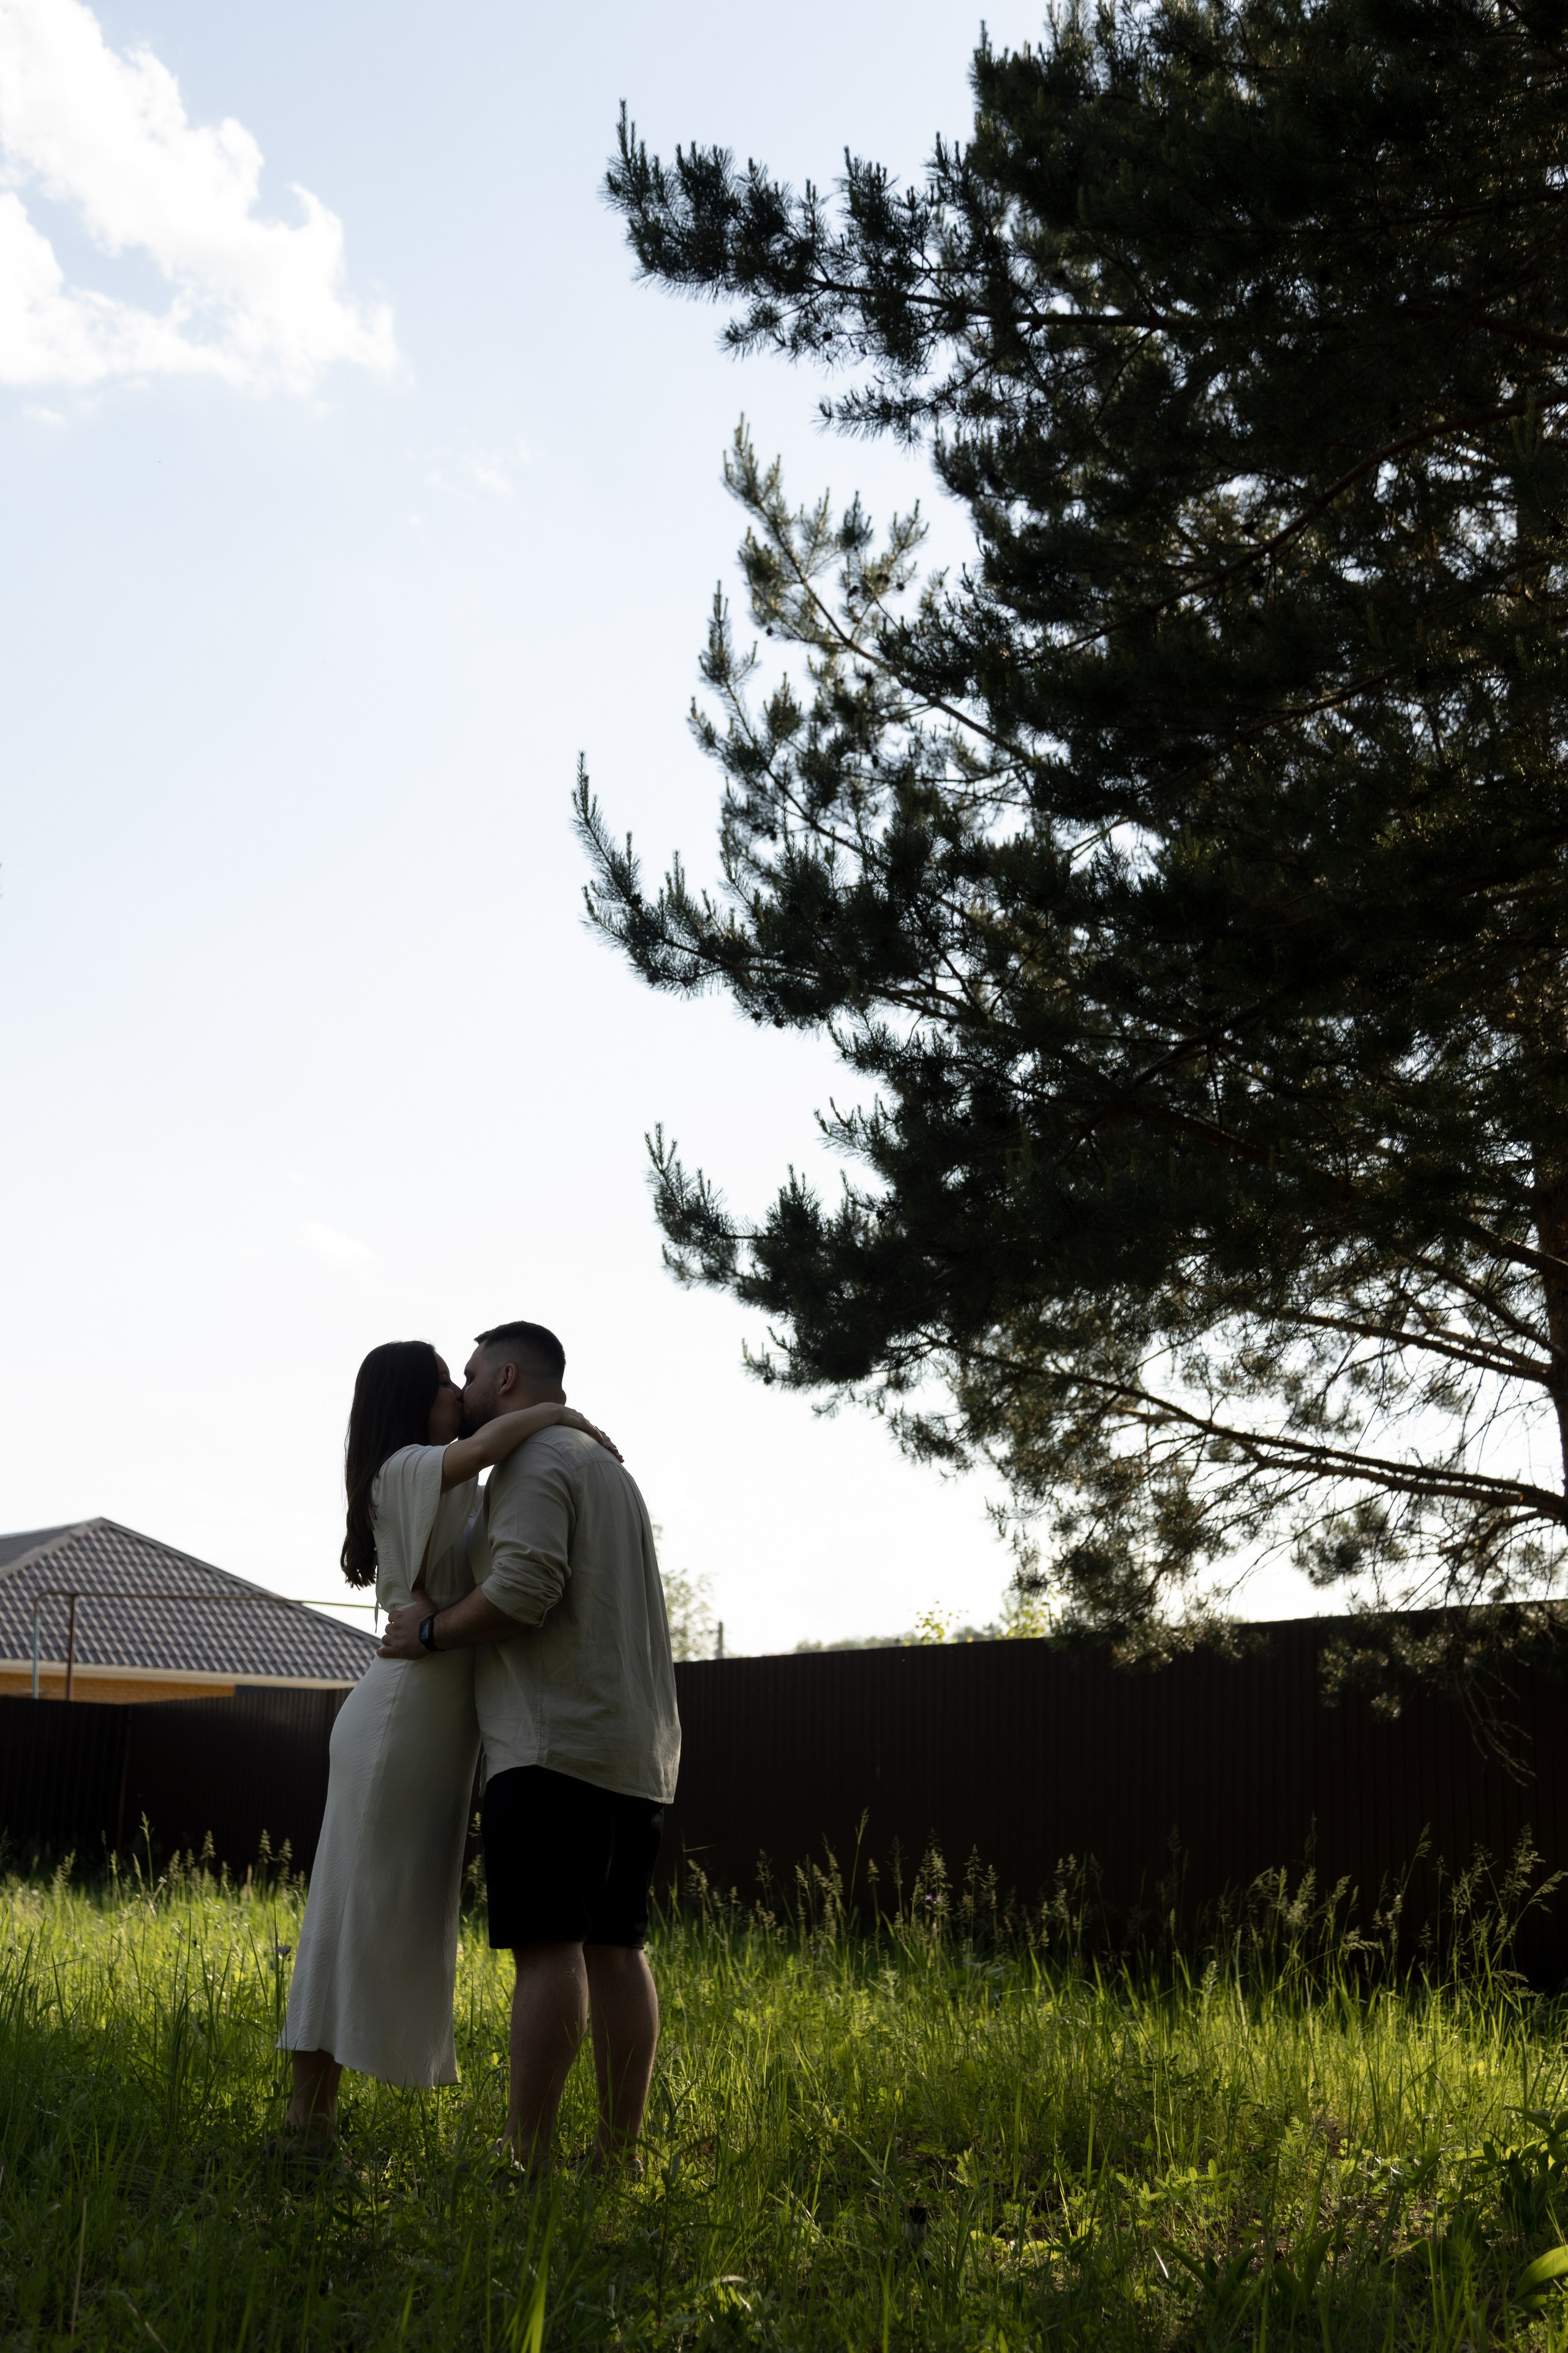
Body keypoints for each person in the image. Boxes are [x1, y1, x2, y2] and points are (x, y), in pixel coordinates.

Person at [276, 1337, 618, 2159]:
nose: (456, 1396)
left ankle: (311, 2122)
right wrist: (564, 1413)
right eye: (442, 1384)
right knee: (352, 1913)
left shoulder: (444, 1477)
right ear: (409, 1400)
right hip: (399, 1720)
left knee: (379, 1911)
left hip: (433, 1723)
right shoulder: (404, 1465)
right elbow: (489, 1443)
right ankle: (304, 2124)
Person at [380, 1319, 679, 2174]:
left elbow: (523, 1589)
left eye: (470, 1375)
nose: (460, 1391)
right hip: (637, 1750)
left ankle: (528, 2154)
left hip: (553, 1745)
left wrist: (430, 1630)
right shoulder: (610, 1470)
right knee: (618, 1950)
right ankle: (618, 2152)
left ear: (506, 1379)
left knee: (549, 1951)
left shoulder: (534, 1462)